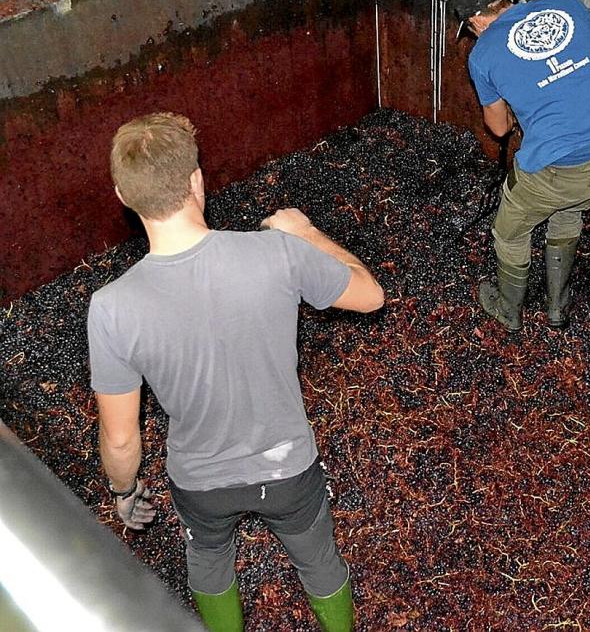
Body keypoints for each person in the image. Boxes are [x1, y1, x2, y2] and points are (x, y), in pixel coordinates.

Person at [87, 112, 384, 632]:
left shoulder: (111, 308)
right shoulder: (277, 253)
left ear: (122, 196)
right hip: (289, 469)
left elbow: (119, 440)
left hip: (201, 485)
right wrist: (307, 231)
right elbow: (371, 295)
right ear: (197, 179)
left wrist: (123, 491)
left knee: (206, 559)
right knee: (317, 559)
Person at [451, 0, 590, 331]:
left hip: (555, 167)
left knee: (511, 231)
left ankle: (508, 311)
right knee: (567, 210)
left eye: (469, 29)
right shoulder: (561, 6)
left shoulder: (482, 53)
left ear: (475, 22)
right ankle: (557, 308)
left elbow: (499, 128)